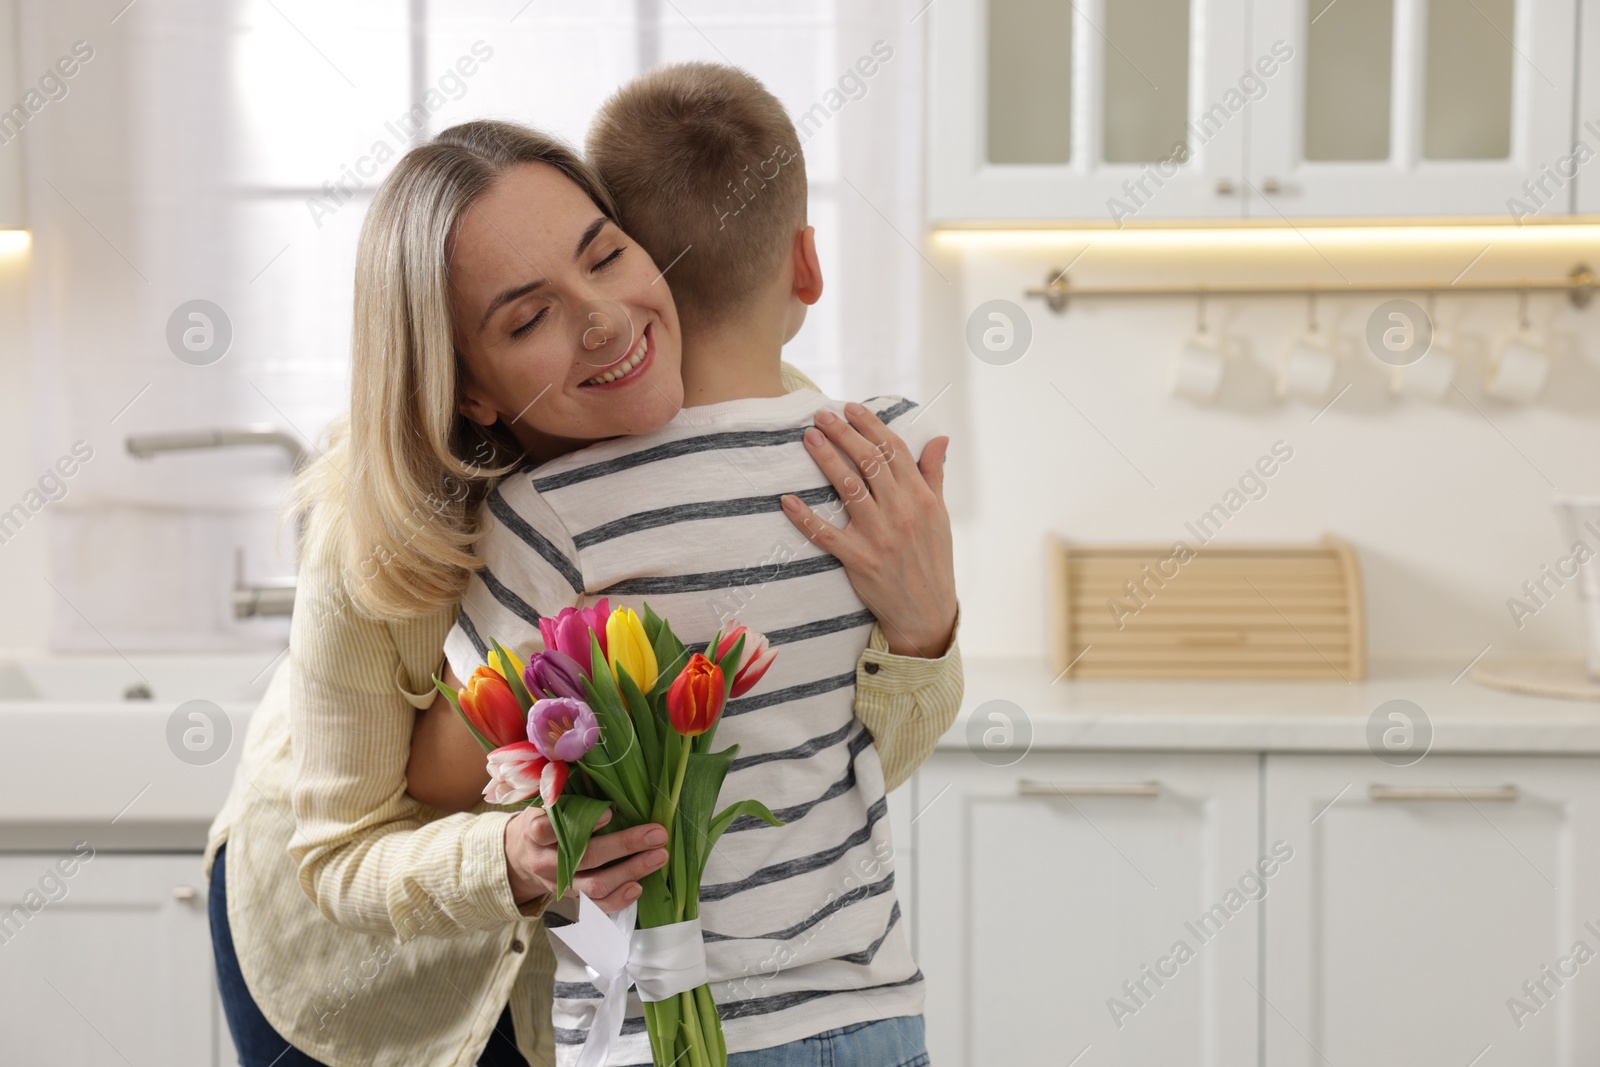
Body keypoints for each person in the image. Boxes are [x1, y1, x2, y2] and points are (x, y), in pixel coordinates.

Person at [205, 119, 959, 1067]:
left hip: (600, 978)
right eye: (529, 319)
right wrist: (509, 857)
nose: (604, 319)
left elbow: (818, 751)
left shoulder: (777, 434)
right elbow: (340, 849)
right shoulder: (382, 525)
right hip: (375, 975)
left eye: (604, 256)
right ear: (469, 389)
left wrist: (923, 627)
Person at [410, 65, 954, 1067]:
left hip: (657, 1027)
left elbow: (451, 766)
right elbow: (893, 701)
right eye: (528, 315)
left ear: (643, 262)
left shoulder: (547, 516)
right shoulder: (891, 449)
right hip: (870, 1003)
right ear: (805, 265)